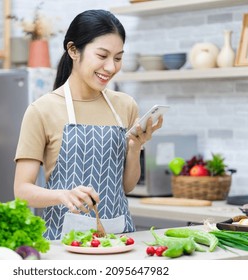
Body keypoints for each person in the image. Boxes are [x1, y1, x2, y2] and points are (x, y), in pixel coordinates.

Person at [13, 9, 163, 240]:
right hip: (62, 243)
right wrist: (62, 195)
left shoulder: (125, 105)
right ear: (73, 50)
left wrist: (134, 147)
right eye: (102, 56)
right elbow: (22, 191)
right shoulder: (42, 110)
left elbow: (126, 186)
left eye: (118, 58)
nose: (111, 67)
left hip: (119, 240)